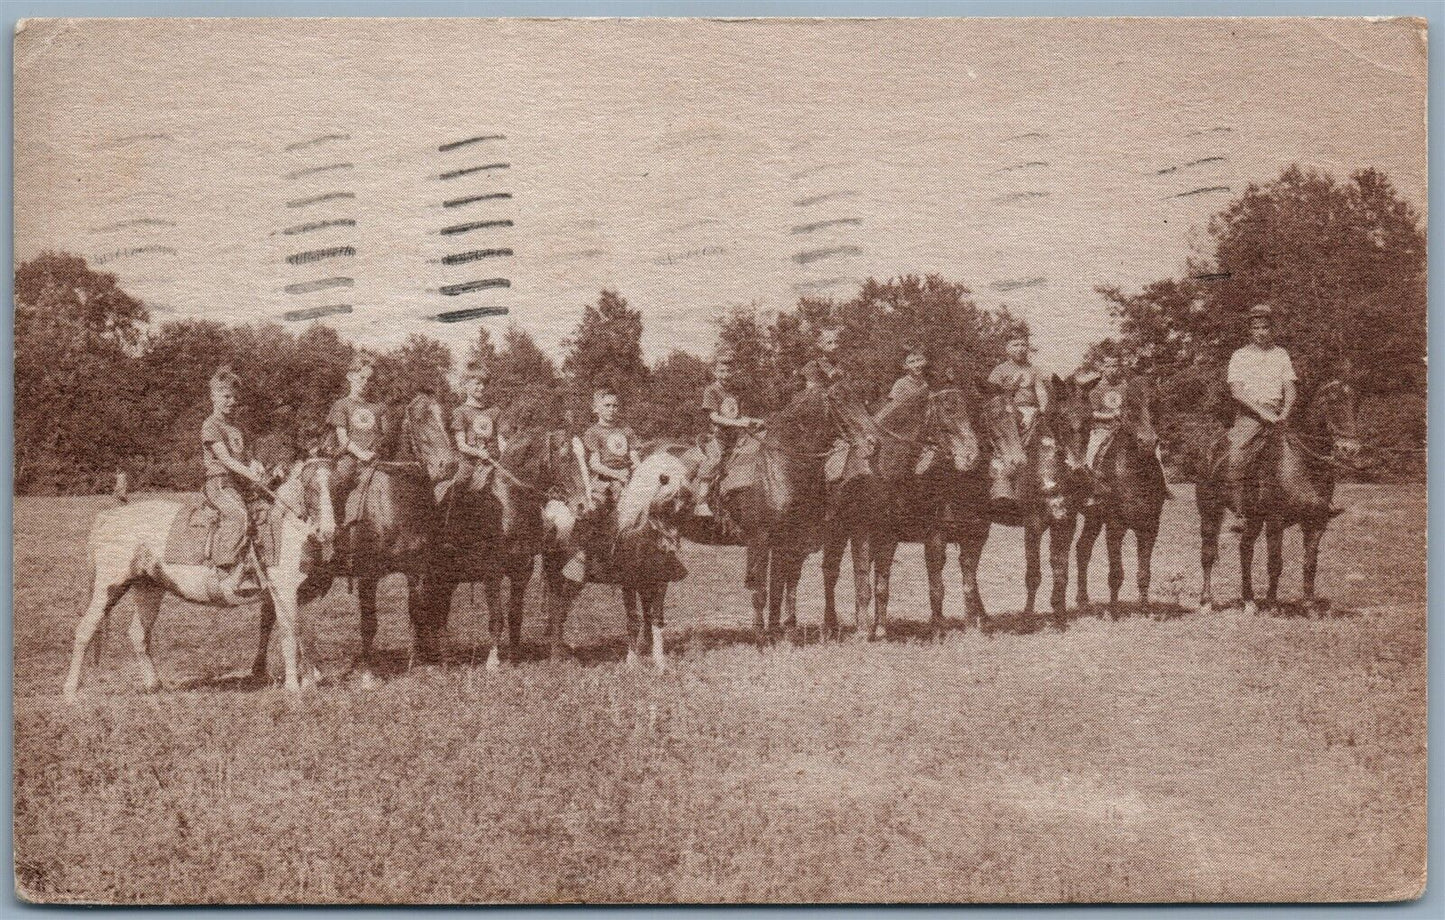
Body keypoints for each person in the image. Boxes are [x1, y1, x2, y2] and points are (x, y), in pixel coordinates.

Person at [201, 366, 267, 601]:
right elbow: (226, 460)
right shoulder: (211, 425)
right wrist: (250, 473)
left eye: (234, 397)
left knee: (266, 513)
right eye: (226, 396)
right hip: (220, 483)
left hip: (241, 483)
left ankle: (258, 565)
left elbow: (246, 456)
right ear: (213, 396)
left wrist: (256, 465)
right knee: (238, 515)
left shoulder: (237, 427)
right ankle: (226, 569)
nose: (232, 401)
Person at [1225, 303, 1297, 516]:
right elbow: (1237, 392)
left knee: (1304, 451)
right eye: (1256, 328)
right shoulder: (1240, 355)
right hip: (1250, 416)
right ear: (1250, 330)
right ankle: (1239, 512)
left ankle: (1317, 503)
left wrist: (1285, 412)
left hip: (1279, 413)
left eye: (1265, 327)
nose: (1260, 332)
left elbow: (1290, 388)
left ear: (1272, 328)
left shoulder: (1281, 354)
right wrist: (1264, 414)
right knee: (1237, 456)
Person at [986, 324, 1048, 501]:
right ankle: (1001, 482)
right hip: (1006, 411)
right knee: (1001, 440)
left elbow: (1041, 391)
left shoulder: (1033, 370)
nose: (1020, 348)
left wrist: (1042, 408)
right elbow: (992, 395)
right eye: (1015, 345)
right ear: (1007, 348)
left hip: (1030, 410)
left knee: (1047, 440)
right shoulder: (1000, 370)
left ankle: (1047, 479)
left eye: (1023, 345)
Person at [696, 357, 763, 515]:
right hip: (716, 436)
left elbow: (738, 416)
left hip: (735, 437)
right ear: (715, 372)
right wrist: (739, 423)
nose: (725, 375)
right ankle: (701, 502)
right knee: (715, 459)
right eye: (722, 371)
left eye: (728, 371)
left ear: (733, 373)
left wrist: (755, 421)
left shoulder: (735, 393)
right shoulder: (711, 390)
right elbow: (714, 417)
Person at [326, 354, 383, 524]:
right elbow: (343, 438)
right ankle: (338, 526)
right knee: (337, 484)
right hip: (351, 460)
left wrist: (377, 450)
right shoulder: (342, 405)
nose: (365, 383)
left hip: (375, 459)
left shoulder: (378, 407)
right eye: (361, 377)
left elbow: (384, 435)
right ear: (350, 376)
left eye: (369, 379)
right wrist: (361, 454)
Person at [448, 363, 503, 498]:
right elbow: (462, 445)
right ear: (465, 385)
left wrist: (504, 454)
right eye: (477, 383)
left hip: (494, 463)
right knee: (459, 486)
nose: (482, 387)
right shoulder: (461, 412)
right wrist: (479, 453)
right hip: (470, 465)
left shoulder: (494, 411)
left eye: (484, 384)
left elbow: (501, 440)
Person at [582, 387, 641, 508]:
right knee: (598, 507)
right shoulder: (593, 432)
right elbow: (595, 464)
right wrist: (617, 474)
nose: (611, 409)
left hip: (627, 477)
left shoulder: (626, 430)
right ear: (596, 408)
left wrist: (635, 470)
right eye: (607, 405)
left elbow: (635, 459)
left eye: (615, 406)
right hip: (604, 480)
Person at [798, 325, 845, 392]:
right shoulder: (820, 361)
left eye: (836, 342)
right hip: (816, 392)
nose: (834, 346)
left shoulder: (835, 359)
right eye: (829, 343)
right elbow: (835, 376)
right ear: (820, 345)